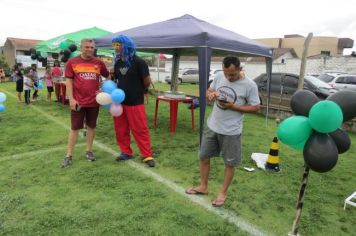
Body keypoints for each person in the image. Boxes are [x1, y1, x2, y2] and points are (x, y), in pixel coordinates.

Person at [185, 56, 260, 207]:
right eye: (227, 73)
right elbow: (210, 89)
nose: (229, 77)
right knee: (204, 156)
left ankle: (222, 193)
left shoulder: (249, 85)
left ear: (240, 69)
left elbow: (256, 107)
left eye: (232, 74)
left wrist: (234, 107)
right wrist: (210, 94)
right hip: (212, 125)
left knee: (229, 163)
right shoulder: (220, 76)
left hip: (231, 131)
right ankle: (203, 186)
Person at [61, 38, 109, 168]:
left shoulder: (99, 62)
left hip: (94, 101)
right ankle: (68, 155)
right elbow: (69, 82)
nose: (89, 49)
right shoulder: (72, 62)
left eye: (92, 47)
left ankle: (88, 151)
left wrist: (103, 90)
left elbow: (108, 76)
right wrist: (71, 98)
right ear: (81, 47)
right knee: (75, 128)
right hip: (78, 102)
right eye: (87, 47)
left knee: (91, 127)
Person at [111, 34, 155, 167]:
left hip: (135, 102)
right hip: (119, 103)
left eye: (118, 45)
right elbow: (116, 80)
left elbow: (147, 81)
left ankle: (147, 155)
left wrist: (138, 91)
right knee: (121, 129)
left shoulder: (139, 62)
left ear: (126, 45)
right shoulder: (117, 63)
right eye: (114, 45)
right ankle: (126, 152)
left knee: (140, 129)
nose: (116, 48)